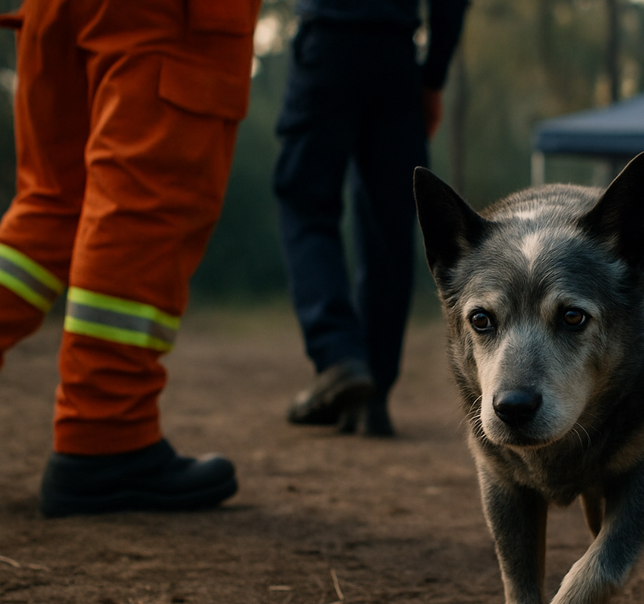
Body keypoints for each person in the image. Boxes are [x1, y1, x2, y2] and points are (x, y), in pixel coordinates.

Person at [0, 0, 261, 516]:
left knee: (52, 209)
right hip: (160, 16)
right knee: (140, 211)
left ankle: (105, 431)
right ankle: (105, 435)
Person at [274, 0, 469, 437]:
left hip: (327, 42)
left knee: (306, 204)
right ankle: (373, 392)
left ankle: (339, 355)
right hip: (395, 57)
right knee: (391, 226)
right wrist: (432, 78)